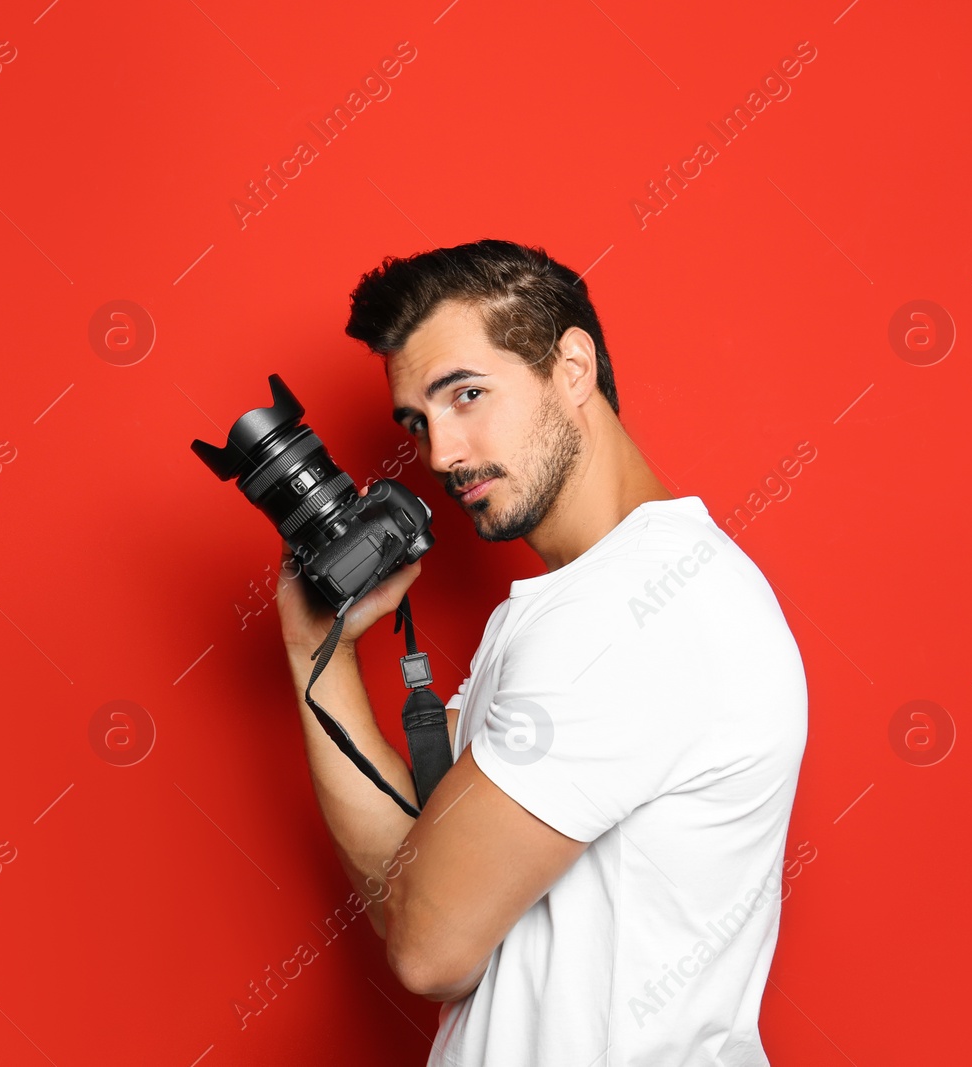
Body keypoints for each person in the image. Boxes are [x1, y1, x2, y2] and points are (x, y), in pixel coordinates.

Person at [274, 239, 808, 1066]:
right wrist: (320, 648)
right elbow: (421, 870)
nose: (442, 453)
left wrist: (423, 898)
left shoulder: (635, 614)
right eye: (419, 420)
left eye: (467, 394)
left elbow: (427, 946)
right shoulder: (577, 605)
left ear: (572, 366)